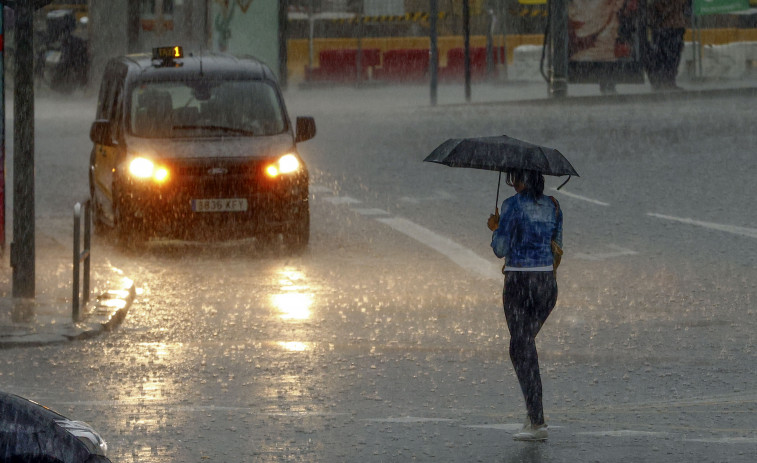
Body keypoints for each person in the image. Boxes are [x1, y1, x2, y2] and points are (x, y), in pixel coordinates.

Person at [487, 169, 562, 441]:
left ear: (518, 180)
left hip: (519, 283)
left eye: (512, 179)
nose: (512, 184)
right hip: (546, 286)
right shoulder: (553, 205)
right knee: (523, 345)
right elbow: (558, 243)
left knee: (521, 347)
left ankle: (537, 421)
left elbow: (501, 249)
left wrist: (497, 229)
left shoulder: (512, 206)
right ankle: (533, 413)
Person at [647, 0, 690, 90]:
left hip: (672, 25)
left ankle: (667, 81)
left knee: (671, 55)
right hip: (666, 26)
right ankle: (664, 81)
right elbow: (659, 7)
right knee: (666, 55)